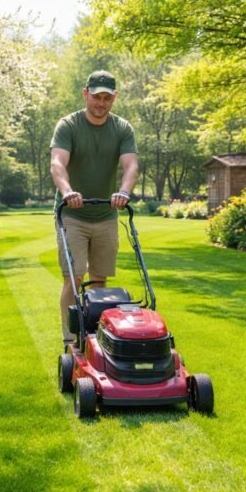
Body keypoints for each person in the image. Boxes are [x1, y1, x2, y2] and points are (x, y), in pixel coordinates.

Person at [50, 70, 139, 345]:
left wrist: (124, 191)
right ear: (85, 93)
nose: (101, 103)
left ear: (114, 98)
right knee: (74, 278)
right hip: (72, 214)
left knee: (100, 281)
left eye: (106, 98)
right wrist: (67, 192)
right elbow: (57, 164)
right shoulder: (69, 126)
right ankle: (69, 339)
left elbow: (131, 165)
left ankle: (95, 337)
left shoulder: (122, 129)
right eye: (96, 96)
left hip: (105, 214)